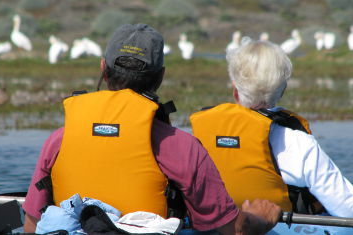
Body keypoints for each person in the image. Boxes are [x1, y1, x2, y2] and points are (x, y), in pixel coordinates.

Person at [22, 24, 282, 235]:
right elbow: (228, 231)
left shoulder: (57, 141)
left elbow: (32, 227)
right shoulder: (182, 147)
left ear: (103, 68)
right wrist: (259, 221)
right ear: (160, 77)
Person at [189, 40, 353, 219]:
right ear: (282, 89)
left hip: (217, 227)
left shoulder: (197, 137)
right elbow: (351, 212)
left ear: (235, 88)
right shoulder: (297, 143)